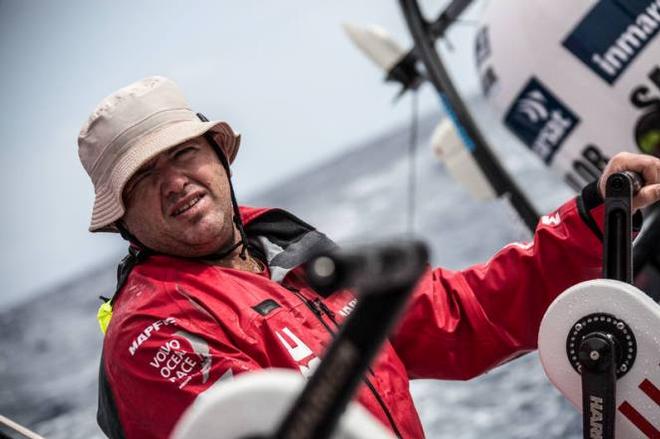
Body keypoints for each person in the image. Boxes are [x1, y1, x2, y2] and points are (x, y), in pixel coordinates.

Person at [78, 76, 660, 439]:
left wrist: (587, 221)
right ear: (123, 217)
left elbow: (458, 316)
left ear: (218, 156)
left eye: (182, 153)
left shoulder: (283, 248)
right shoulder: (154, 336)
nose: (174, 181)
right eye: (143, 176)